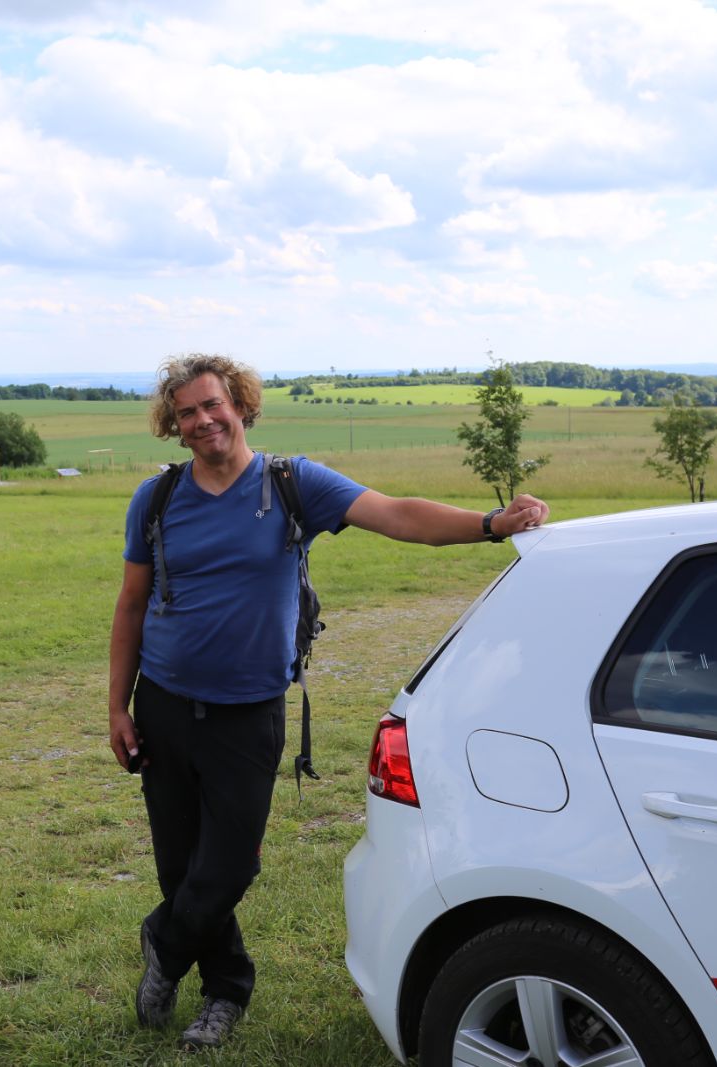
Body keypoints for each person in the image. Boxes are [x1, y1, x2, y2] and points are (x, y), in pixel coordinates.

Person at [108, 354, 548, 1051]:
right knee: (179, 863)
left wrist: (490, 523)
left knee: (229, 865)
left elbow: (396, 515)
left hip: (248, 711)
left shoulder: (291, 484)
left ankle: (163, 941)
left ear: (240, 405)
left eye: (212, 404)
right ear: (174, 424)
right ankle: (224, 988)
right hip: (162, 702)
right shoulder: (155, 500)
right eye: (186, 411)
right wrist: (118, 706)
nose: (201, 420)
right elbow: (131, 603)